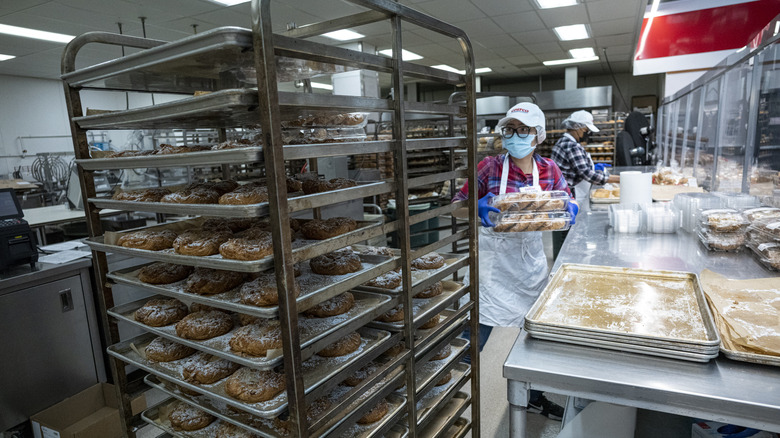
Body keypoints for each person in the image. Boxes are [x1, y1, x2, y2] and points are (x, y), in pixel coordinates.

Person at [452, 102, 576, 420]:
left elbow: (566, 200)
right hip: (493, 268)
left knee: (533, 337)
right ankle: (445, 387)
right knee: (474, 331)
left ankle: (533, 396)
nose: (516, 136)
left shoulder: (549, 170)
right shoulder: (489, 167)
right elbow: (456, 205)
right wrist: (475, 207)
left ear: (538, 135)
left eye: (523, 130)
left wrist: (571, 209)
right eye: (510, 129)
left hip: (529, 266)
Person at [550, 110, 619, 259]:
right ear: (577, 127)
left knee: (565, 228)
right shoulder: (571, 145)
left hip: (563, 193)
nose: (587, 134)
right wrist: (617, 179)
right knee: (570, 231)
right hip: (570, 193)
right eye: (586, 130)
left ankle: (564, 257)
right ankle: (568, 259)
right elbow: (586, 174)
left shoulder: (564, 142)